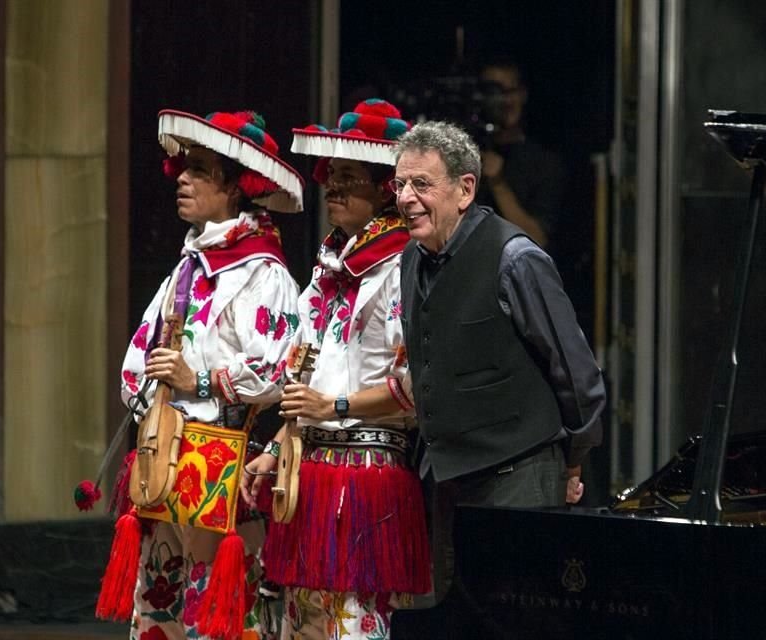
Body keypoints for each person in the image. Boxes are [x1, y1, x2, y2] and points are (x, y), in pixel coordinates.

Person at [100, 108, 305, 640]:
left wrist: (202, 380)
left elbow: (280, 368)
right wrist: (151, 392)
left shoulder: (265, 272)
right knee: (161, 603)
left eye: (200, 170)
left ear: (237, 188)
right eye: (183, 169)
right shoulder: (188, 267)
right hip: (165, 455)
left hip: (226, 462)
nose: (183, 180)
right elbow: (138, 356)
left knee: (218, 610)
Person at [393, 121, 605, 613]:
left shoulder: (514, 258)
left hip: (520, 475)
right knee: (456, 621)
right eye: (400, 184)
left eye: (421, 184)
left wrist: (574, 457)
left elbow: (578, 374)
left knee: (517, 622)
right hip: (449, 480)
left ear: (465, 189)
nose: (405, 197)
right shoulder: (410, 259)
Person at [241, 99, 430, 640]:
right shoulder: (328, 272)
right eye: (331, 177)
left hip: (368, 468)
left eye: (350, 178)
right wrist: (278, 446)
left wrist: (336, 407)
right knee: (304, 622)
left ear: (385, 189)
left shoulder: (401, 269)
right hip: (312, 466)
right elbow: (307, 378)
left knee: (353, 621)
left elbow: (417, 385)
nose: (333, 188)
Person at [476, 57, 566, 249]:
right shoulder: (461, 154)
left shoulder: (543, 162)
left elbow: (538, 239)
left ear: (523, 94)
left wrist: (498, 184)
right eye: (494, 93)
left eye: (510, 92)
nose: (504, 101)